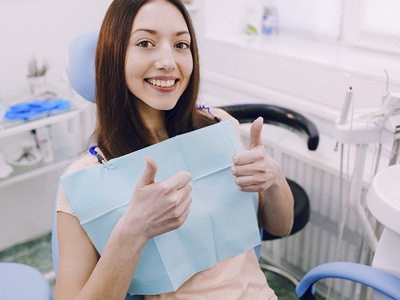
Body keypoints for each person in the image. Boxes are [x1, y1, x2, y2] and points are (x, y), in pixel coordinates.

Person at [55, 0, 294, 299]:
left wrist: (273, 179)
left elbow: (281, 226)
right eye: (145, 42)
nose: (169, 61)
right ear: (114, 56)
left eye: (181, 44)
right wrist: (133, 231)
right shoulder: (87, 181)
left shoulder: (220, 126)